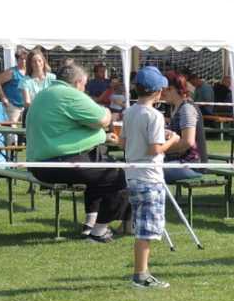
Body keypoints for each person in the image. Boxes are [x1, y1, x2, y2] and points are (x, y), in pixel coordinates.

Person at [26, 61, 126, 240]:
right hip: (60, 163)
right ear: (79, 82)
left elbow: (66, 128)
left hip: (39, 164)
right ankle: (99, 231)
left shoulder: (44, 94)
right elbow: (102, 119)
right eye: (84, 85)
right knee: (122, 175)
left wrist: (100, 136)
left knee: (100, 171)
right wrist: (108, 115)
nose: (84, 89)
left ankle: (90, 224)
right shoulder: (69, 94)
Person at [121, 67, 178, 287]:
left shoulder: (130, 112)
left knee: (142, 225)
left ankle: (142, 272)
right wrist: (172, 140)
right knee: (147, 229)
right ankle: (140, 274)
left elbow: (124, 142)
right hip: (149, 177)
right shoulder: (154, 116)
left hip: (132, 175)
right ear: (157, 92)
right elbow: (155, 149)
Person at [160, 75, 206, 183]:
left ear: (172, 89)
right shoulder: (176, 107)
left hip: (192, 166)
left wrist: (161, 149)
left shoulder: (186, 108)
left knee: (149, 172)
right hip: (179, 162)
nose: (161, 94)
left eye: (163, 90)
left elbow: (188, 142)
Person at [0, 47, 54, 124]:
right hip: (14, 106)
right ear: (17, 60)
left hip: (27, 108)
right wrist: (3, 97)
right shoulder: (12, 72)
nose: (23, 61)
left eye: (25, 59)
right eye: (21, 59)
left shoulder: (50, 77)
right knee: (13, 130)